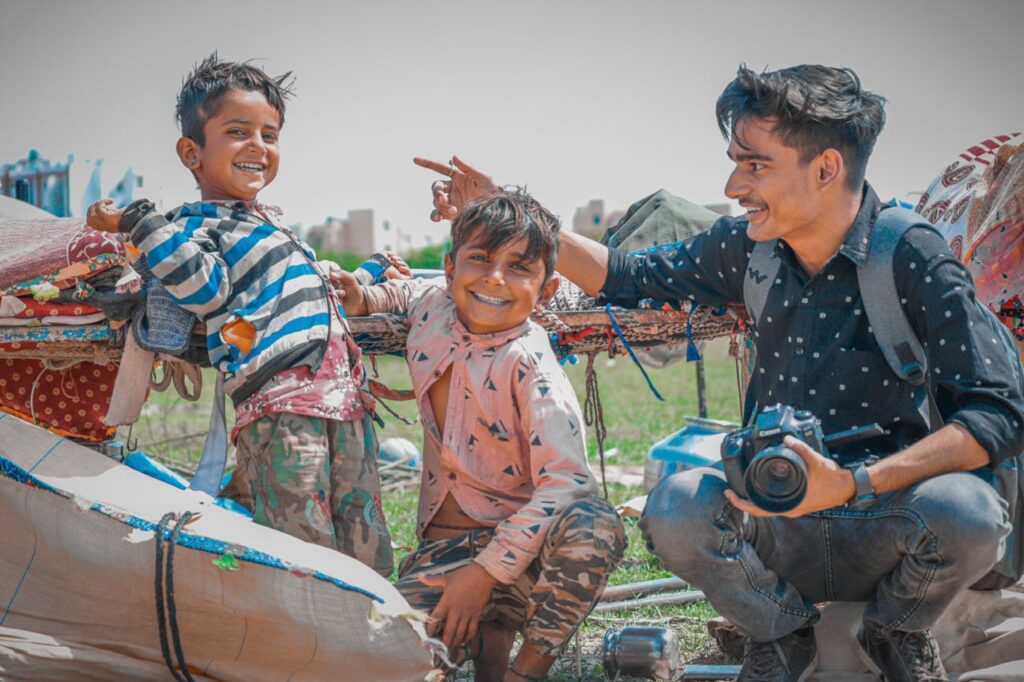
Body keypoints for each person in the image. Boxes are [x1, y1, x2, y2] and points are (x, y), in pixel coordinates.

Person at [416, 64, 1024, 682]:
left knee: (970, 511)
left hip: (887, 519)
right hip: (773, 523)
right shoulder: (747, 249)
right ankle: (782, 633)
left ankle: (897, 630)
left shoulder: (912, 255)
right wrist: (516, 214)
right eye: (735, 162)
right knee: (675, 504)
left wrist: (851, 483)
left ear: (826, 169)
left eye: (755, 165)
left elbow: (995, 414)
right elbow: (626, 275)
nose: (735, 185)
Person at [85, 54, 397, 576]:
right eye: (238, 131)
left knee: (361, 536)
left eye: (270, 135)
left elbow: (308, 288)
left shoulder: (268, 227)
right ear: (192, 153)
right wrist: (140, 222)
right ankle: (304, 643)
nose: (258, 146)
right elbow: (205, 290)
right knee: (303, 547)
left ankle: (366, 636)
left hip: (344, 401)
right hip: (280, 404)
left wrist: (372, 271)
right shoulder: (194, 228)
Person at [332, 188, 626, 682]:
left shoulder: (533, 370)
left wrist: (484, 573)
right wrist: (364, 296)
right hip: (440, 556)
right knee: (376, 655)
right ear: (449, 269)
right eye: (480, 259)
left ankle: (523, 672)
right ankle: (483, 639)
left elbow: (569, 484)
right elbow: (405, 293)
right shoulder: (434, 306)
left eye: (518, 267)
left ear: (546, 290)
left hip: (524, 559)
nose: (494, 278)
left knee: (595, 525)